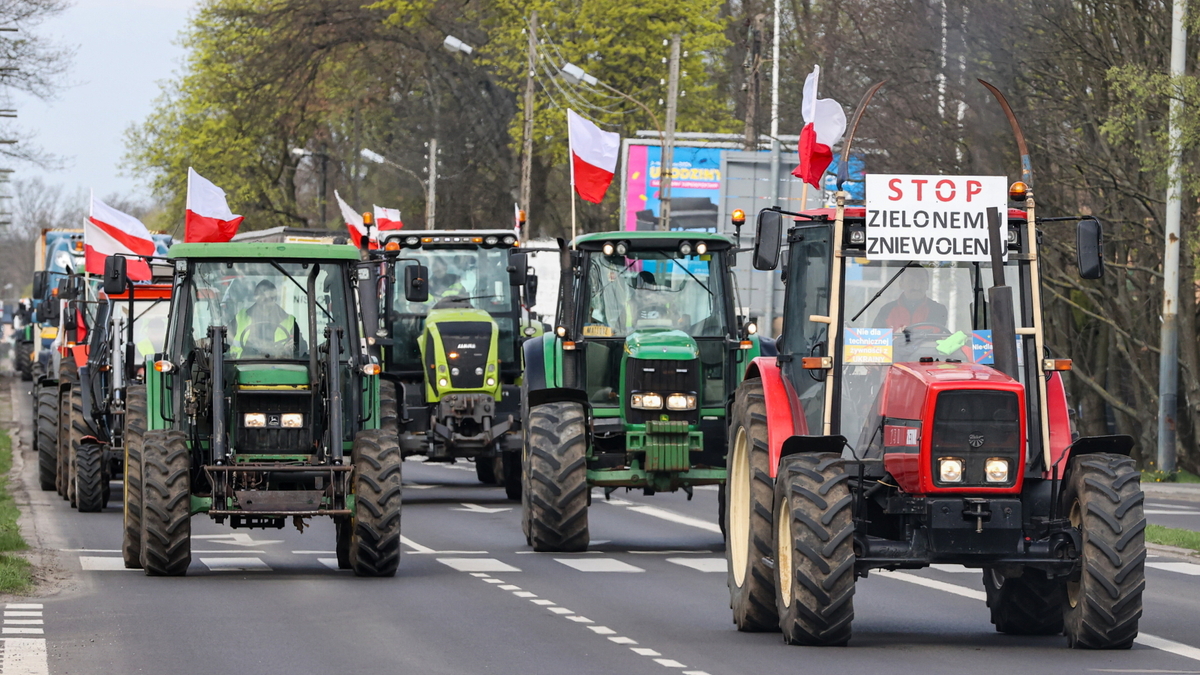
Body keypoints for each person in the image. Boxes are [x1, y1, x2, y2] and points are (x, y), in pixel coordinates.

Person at [232, 280, 304, 357]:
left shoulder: (289, 322)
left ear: (276, 299)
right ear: (256, 297)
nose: (268, 302)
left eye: (272, 298)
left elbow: (301, 350)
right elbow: (226, 342)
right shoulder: (240, 318)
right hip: (242, 366)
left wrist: (293, 347)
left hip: (280, 367)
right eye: (264, 299)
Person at [872, 265, 948, 331]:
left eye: (921, 281)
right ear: (901, 284)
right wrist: (895, 336)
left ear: (927, 285)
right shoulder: (886, 311)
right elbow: (876, 340)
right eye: (911, 281)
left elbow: (935, 337)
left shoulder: (938, 310)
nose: (917, 287)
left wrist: (903, 335)